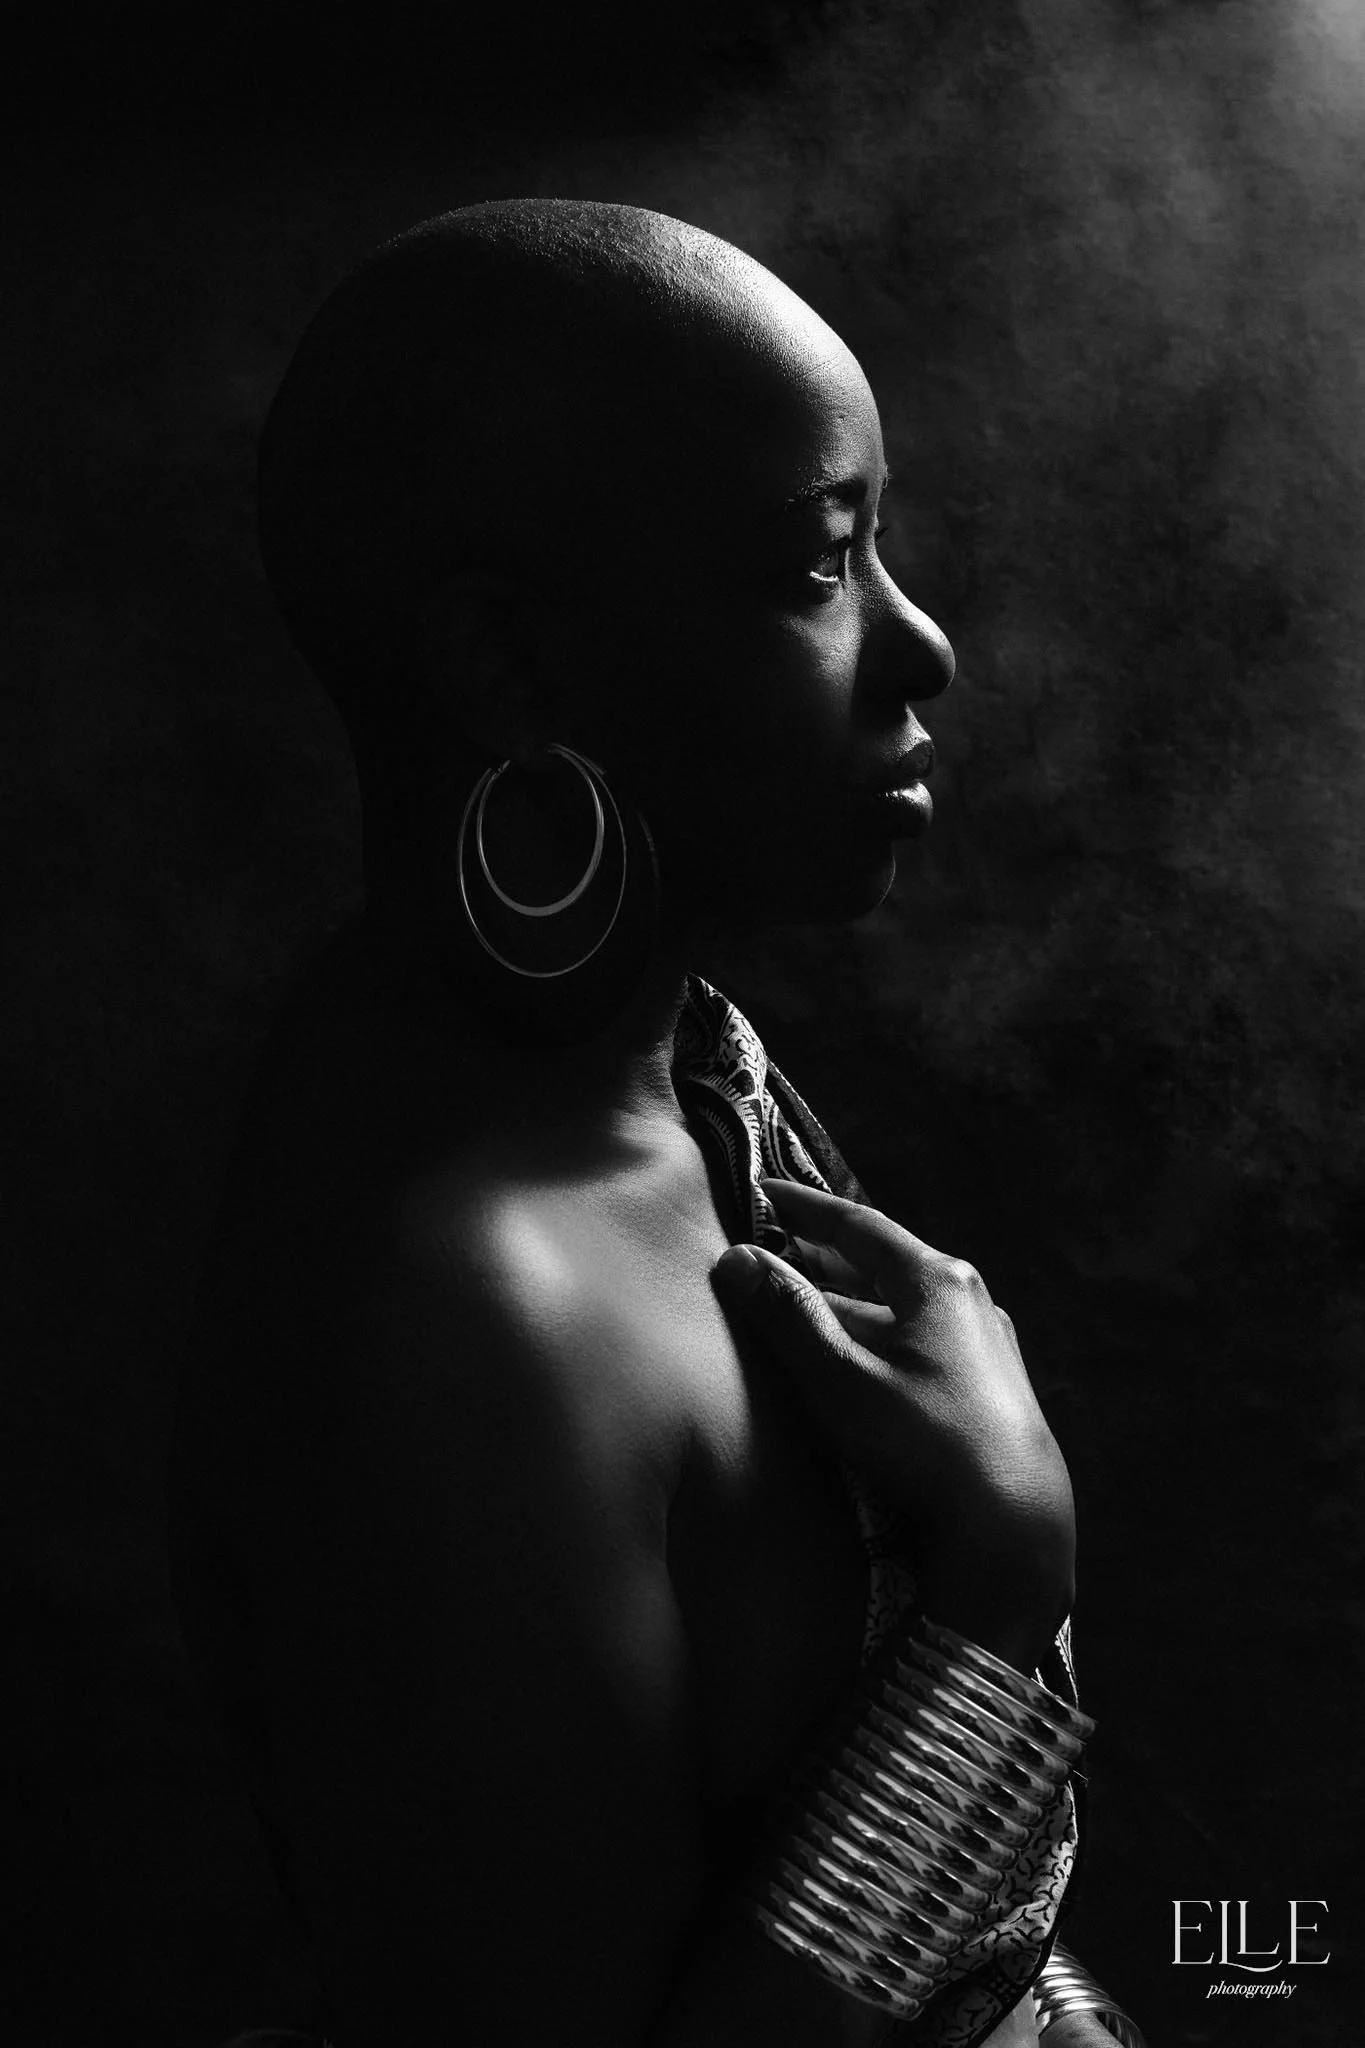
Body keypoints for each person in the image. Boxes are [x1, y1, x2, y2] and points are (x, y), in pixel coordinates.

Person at [170, 200, 1144, 2048]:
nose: (921, 647)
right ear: (513, 668)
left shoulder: (663, 1056)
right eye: (817, 566)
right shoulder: (464, 1326)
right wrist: (1003, 1588)